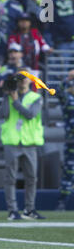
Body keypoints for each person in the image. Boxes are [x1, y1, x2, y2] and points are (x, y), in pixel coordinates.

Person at [0, 70, 46, 220]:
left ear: (30, 81)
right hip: (12, 141)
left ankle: (29, 209)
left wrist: (15, 101)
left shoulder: (36, 97)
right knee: (10, 178)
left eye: (25, 78)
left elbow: (30, 114)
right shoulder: (9, 95)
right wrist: (7, 95)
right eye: (19, 79)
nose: (22, 81)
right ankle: (12, 210)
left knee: (32, 178)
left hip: (29, 142)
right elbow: (4, 114)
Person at [55, 71, 74, 211]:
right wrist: (67, 79)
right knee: (68, 173)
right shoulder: (68, 99)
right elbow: (56, 91)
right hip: (71, 143)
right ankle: (62, 203)